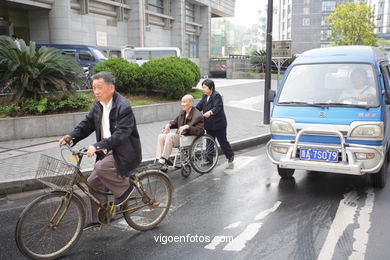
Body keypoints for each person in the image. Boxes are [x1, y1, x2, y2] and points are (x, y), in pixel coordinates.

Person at [59, 71, 142, 230]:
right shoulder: (98, 105)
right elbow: (87, 124)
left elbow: (121, 135)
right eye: (93, 88)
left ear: (111, 88)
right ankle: (99, 218)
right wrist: (71, 136)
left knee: (100, 167)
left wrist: (98, 146)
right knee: (92, 182)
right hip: (107, 150)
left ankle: (125, 189)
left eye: (99, 88)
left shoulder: (123, 107)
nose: (96, 91)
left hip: (124, 151)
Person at [155, 94, 204, 170]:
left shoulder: (198, 115)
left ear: (191, 103)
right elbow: (175, 122)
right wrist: (169, 125)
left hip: (189, 137)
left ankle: (164, 159)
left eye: (184, 102)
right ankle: (159, 159)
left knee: (170, 135)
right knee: (161, 136)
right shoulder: (183, 112)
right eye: (182, 102)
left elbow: (201, 131)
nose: (182, 104)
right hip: (181, 136)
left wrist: (188, 127)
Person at [196, 79, 234, 164]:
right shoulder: (204, 96)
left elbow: (217, 107)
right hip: (209, 124)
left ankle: (230, 155)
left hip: (219, 124)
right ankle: (209, 160)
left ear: (211, 88)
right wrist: (192, 111)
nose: (203, 89)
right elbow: (199, 105)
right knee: (209, 142)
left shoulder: (216, 95)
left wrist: (210, 112)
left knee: (222, 141)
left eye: (205, 87)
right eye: (203, 87)